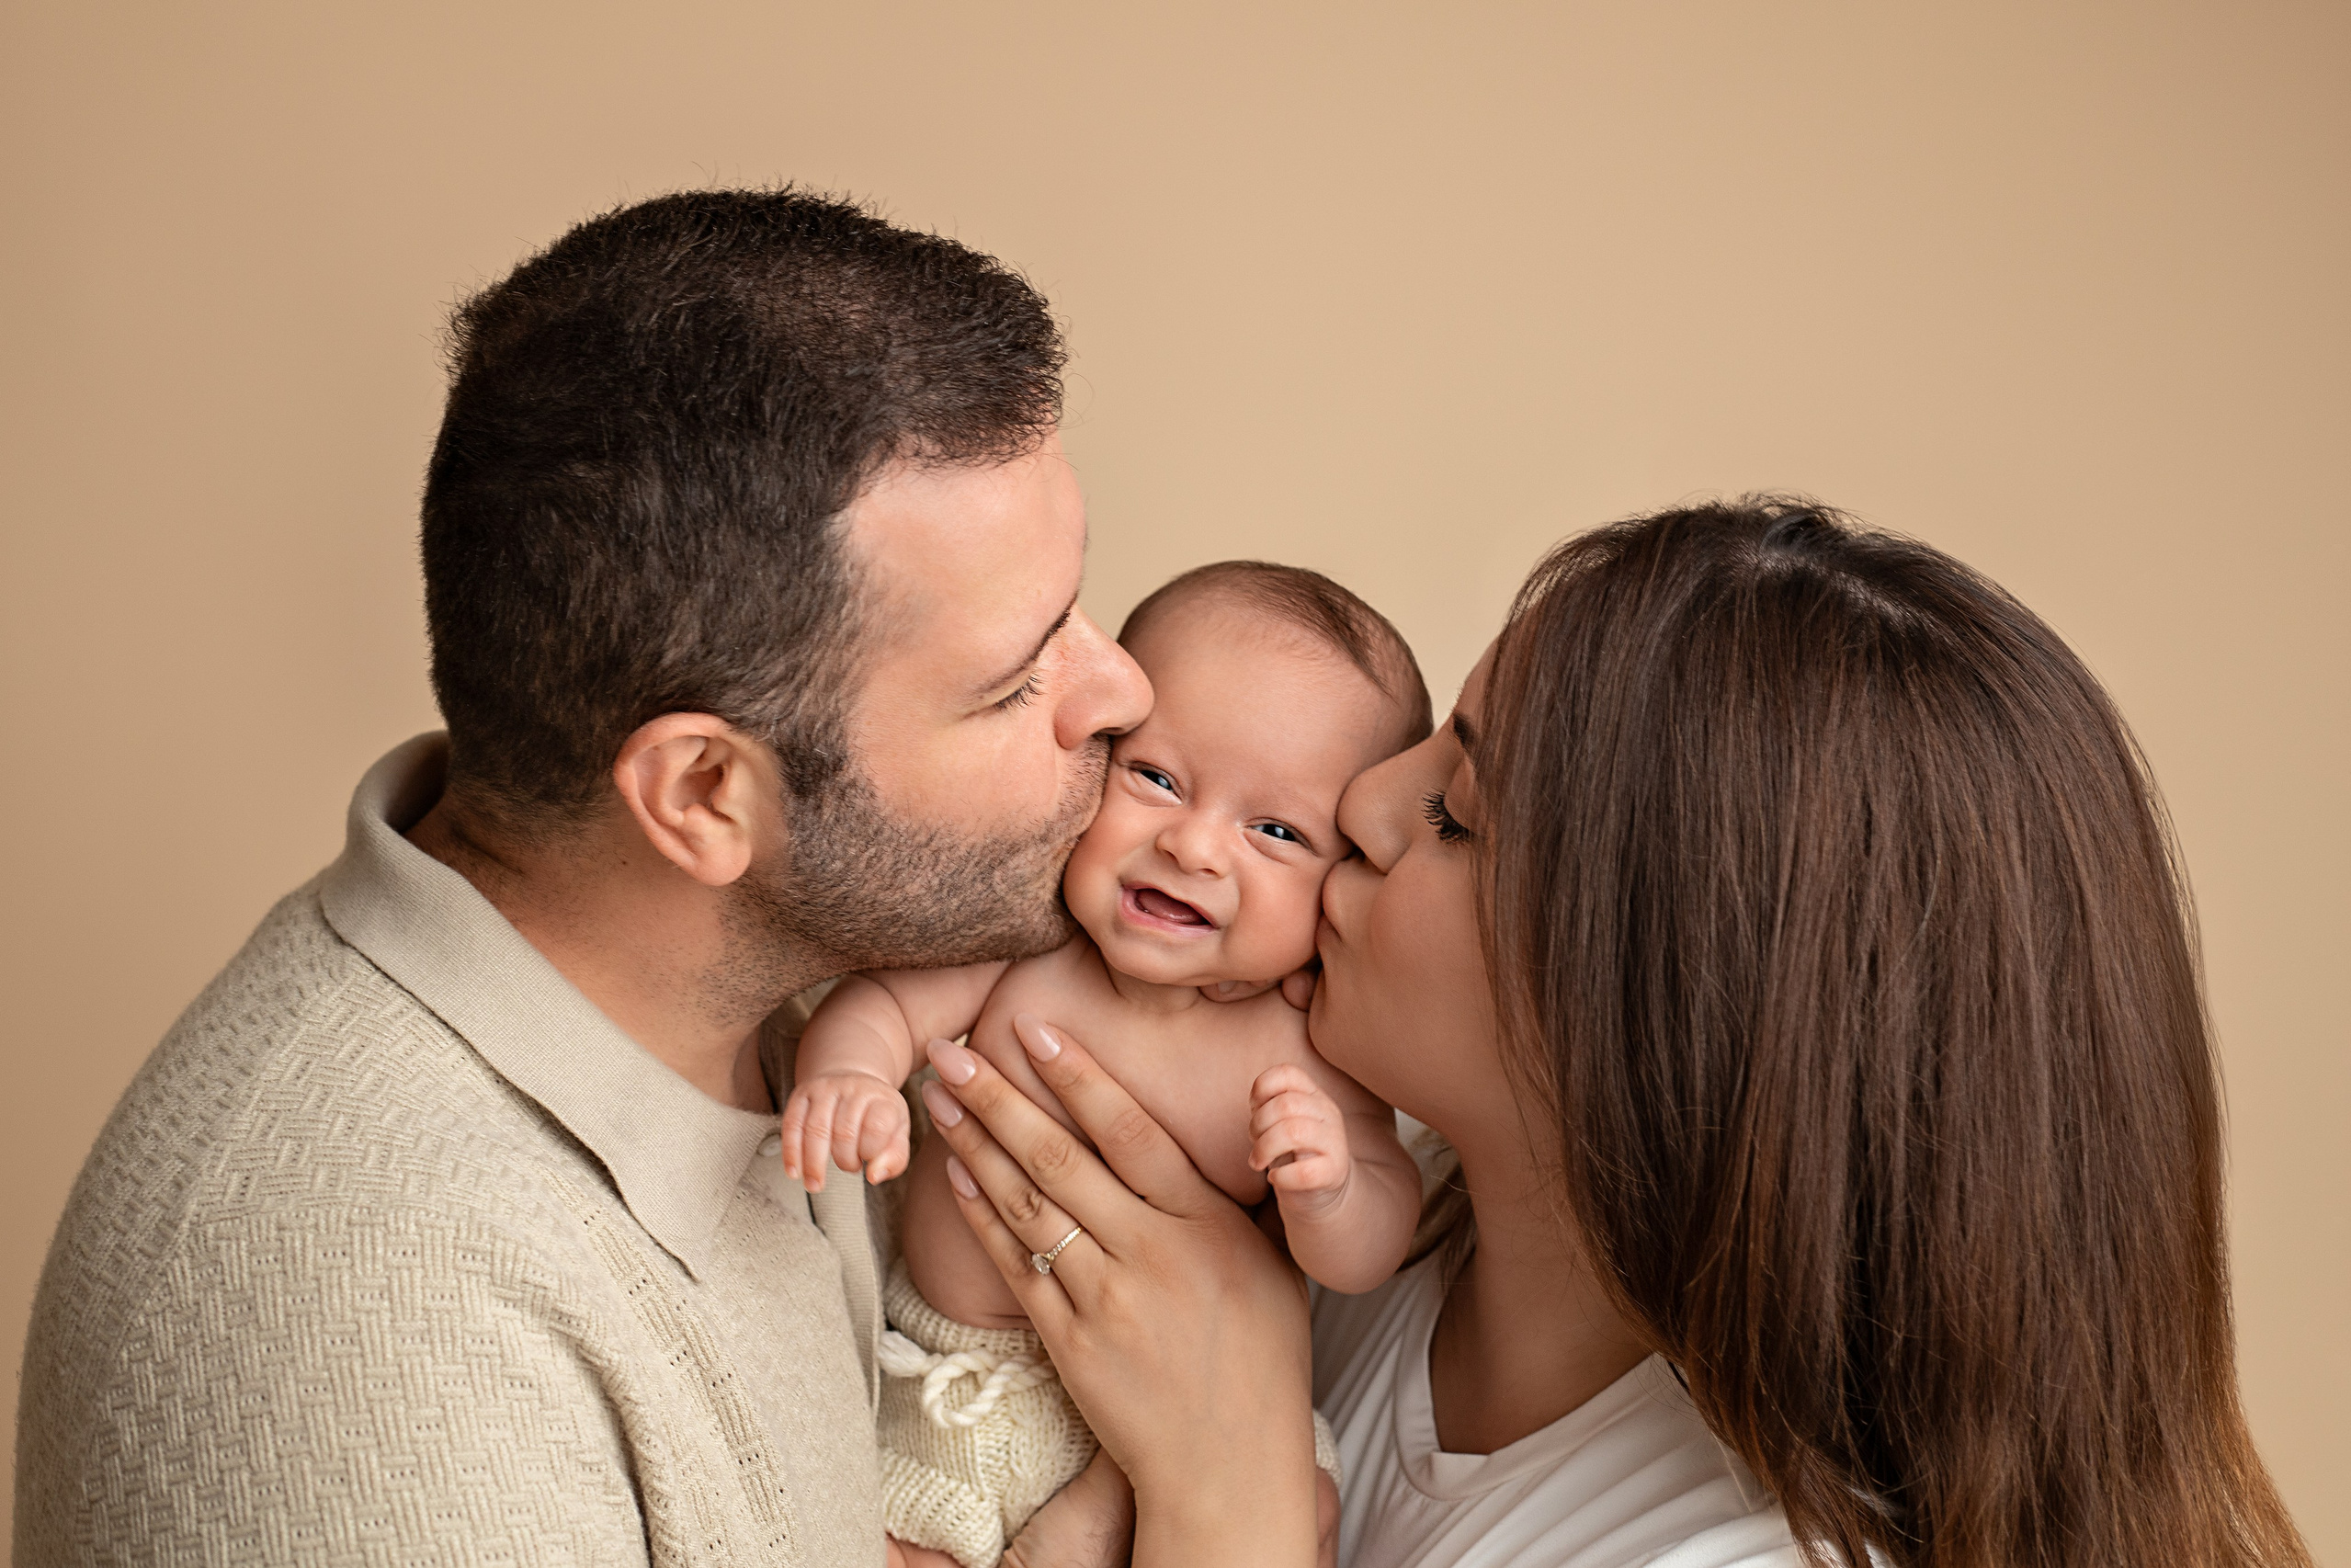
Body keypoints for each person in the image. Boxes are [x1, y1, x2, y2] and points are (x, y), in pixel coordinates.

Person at [14, 188, 1293, 1566]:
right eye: (1012, 679)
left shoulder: (813, 985)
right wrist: (1237, 1508)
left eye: (1079, 610)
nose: (1121, 692)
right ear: (701, 796)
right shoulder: (379, 1332)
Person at [913, 498, 2315, 1566]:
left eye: (1457, 812)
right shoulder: (1333, 1191)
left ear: (1657, 1015)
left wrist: (1233, 1498)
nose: (1365, 807)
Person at [783, 562, 1430, 1567]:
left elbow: (1370, 1241)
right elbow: (879, 1006)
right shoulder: (1026, 944)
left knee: (1293, 1505)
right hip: (970, 1374)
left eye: (1274, 830)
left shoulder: (1305, 1046)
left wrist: (1330, 1188)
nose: (1194, 846)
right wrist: (853, 1078)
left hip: (1212, 1405)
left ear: (1340, 877)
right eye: (1157, 778)